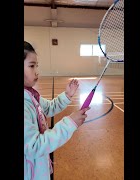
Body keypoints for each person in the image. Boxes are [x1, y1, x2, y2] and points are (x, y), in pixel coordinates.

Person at [24, 41, 90, 180]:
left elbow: (48, 108)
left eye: (37, 66)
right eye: (31, 66)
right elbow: (35, 146)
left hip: (38, 169)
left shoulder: (30, 94)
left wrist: (67, 95)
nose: (37, 71)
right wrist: (70, 123)